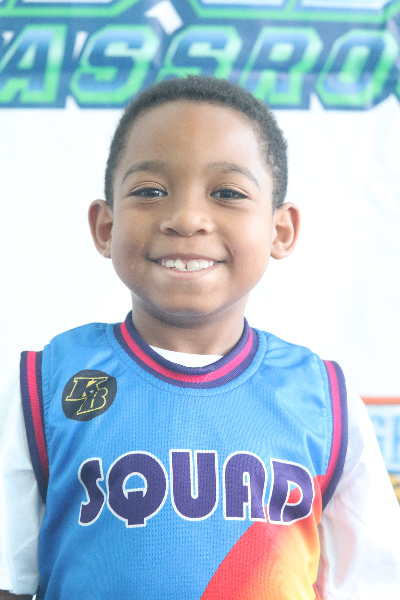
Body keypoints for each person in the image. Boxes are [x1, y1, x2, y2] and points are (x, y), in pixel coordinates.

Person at [0, 76, 399, 600]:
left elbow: (372, 586)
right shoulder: (46, 385)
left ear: (280, 230)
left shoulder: (325, 400)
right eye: (150, 191)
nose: (186, 219)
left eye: (227, 193)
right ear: (105, 226)